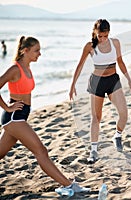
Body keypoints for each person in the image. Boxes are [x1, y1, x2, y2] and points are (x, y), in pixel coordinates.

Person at [0, 36, 89, 194]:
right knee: (41, 151)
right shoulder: (15, 69)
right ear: (25, 51)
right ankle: (68, 185)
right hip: (14, 118)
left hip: (20, 117)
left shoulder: (27, 68)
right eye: (36, 51)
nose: (39, 54)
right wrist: (7, 107)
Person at [69, 19, 131, 163]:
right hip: (97, 83)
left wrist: (129, 79)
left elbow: (121, 62)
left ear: (109, 33)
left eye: (105, 36)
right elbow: (80, 66)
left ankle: (117, 135)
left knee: (124, 113)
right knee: (96, 117)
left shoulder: (115, 43)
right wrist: (73, 84)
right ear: (95, 33)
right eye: (100, 36)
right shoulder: (89, 46)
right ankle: (93, 151)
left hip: (113, 81)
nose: (103, 39)